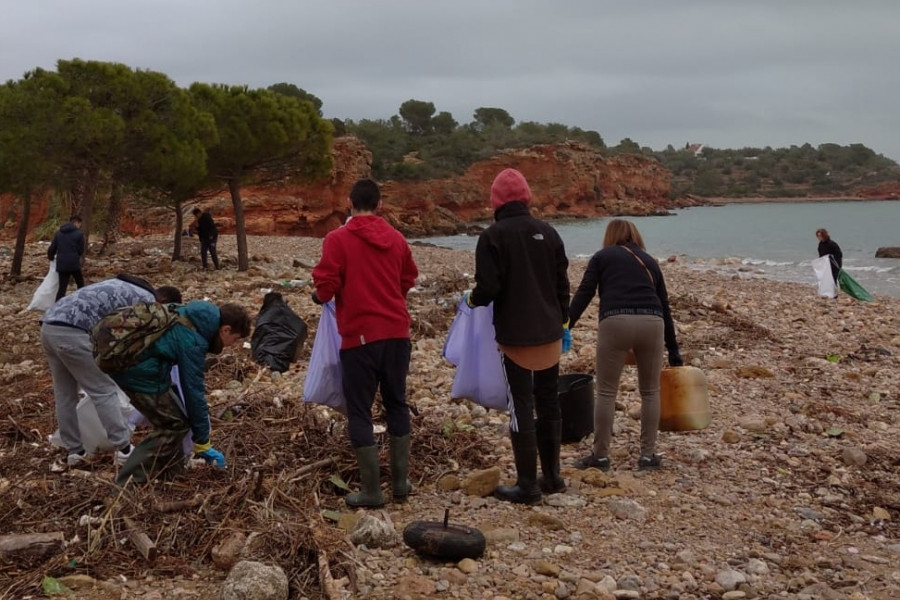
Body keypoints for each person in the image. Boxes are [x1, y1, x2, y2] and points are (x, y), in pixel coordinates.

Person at [465, 168, 571, 504]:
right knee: (549, 399)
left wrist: (470, 300)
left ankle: (527, 485)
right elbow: (561, 285)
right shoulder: (549, 233)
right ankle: (553, 477)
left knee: (521, 404)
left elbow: (489, 288)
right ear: (527, 197)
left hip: (515, 336)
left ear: (495, 201)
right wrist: (564, 322)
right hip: (550, 331)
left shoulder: (493, 237)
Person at [311, 178, 419, 508]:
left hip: (359, 337)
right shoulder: (398, 239)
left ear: (349, 202)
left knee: (360, 410)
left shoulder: (337, 239)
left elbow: (326, 286)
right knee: (397, 403)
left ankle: (372, 491)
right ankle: (400, 483)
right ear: (380, 204)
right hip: (397, 333)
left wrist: (319, 296)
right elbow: (408, 278)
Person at [568, 219, 682, 472]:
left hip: (615, 321)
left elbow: (584, 293)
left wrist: (565, 325)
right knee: (650, 391)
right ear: (635, 235)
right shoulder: (650, 262)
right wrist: (674, 349)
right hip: (653, 323)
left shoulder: (602, 257)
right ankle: (648, 456)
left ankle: (600, 456)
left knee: (607, 392)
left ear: (610, 236)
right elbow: (665, 305)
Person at [40, 276, 182, 468]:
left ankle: (75, 451)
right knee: (103, 390)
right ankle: (124, 449)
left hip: (49, 327)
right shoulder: (147, 301)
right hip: (74, 332)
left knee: (65, 395)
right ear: (163, 301)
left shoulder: (120, 285)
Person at [113, 301, 250, 486]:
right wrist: (203, 441)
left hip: (136, 364)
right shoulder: (194, 339)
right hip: (134, 369)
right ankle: (127, 485)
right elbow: (193, 391)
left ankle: (172, 473)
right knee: (173, 425)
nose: (232, 345)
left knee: (178, 418)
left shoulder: (193, 317)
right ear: (226, 330)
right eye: (235, 339)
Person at [48, 215, 86, 301]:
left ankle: (57, 306)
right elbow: (81, 250)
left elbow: (52, 248)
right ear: (76, 222)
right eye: (80, 224)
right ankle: (81, 301)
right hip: (73, 263)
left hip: (61, 263)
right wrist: (75, 255)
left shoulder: (59, 233)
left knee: (62, 287)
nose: (79, 226)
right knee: (80, 283)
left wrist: (51, 258)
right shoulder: (79, 234)